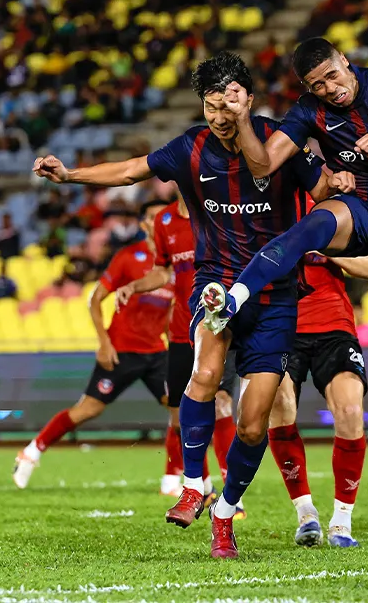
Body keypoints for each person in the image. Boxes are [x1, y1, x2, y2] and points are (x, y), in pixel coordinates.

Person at [29, 52, 347, 559]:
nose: (219, 116)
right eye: (210, 106)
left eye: (228, 104)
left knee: (252, 422)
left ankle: (225, 513)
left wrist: (341, 182)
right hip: (216, 284)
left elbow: (325, 189)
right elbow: (133, 170)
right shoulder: (190, 148)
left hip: (275, 294)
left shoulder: (282, 142)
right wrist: (70, 176)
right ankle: (194, 484)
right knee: (203, 377)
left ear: (247, 98)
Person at [209, 37, 368, 423]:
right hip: (357, 206)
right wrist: (244, 118)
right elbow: (263, 165)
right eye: (317, 86)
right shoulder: (309, 111)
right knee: (309, 227)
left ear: (345, 61)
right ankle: (235, 297)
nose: (330, 89)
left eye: (331, 76)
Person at [12, 200, 177, 489]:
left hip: (156, 352)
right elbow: (95, 299)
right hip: (121, 350)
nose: (162, 221)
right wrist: (104, 343)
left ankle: (172, 479)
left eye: (166, 216)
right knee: (87, 410)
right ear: (144, 225)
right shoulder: (129, 257)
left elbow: (167, 314)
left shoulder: (174, 264)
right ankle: (31, 452)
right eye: (155, 217)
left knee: (181, 412)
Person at [115, 188, 244, 510]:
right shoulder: (165, 220)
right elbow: (163, 271)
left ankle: (232, 498)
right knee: (180, 417)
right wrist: (133, 285)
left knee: (221, 404)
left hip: (216, 327)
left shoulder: (218, 213)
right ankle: (201, 488)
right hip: (179, 333)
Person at [268, 242, 368, 549]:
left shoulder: (338, 215)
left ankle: (342, 521)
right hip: (281, 325)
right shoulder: (266, 212)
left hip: (335, 329)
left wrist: (327, 250)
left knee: (350, 412)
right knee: (279, 403)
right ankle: (306, 513)